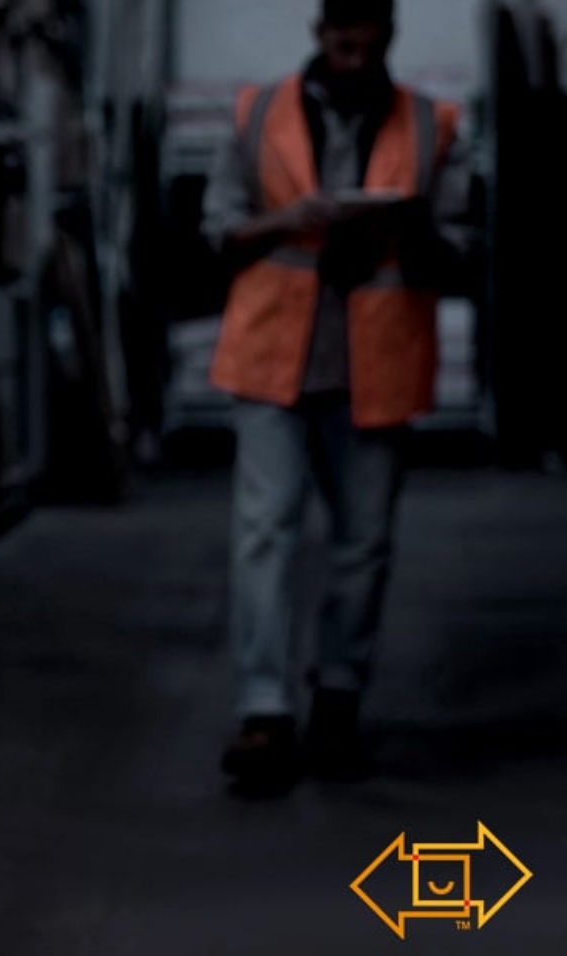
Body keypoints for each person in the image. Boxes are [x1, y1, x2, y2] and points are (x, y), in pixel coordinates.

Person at [200, 0, 473, 797]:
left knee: (363, 546)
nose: (354, 60)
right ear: (319, 36)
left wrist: (409, 228)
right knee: (264, 537)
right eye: (342, 45)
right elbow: (216, 230)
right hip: (271, 363)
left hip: (376, 368)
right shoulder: (256, 114)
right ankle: (264, 714)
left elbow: (460, 251)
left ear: (390, 39)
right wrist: (292, 219)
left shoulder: (433, 124)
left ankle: (338, 702)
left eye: (369, 46)